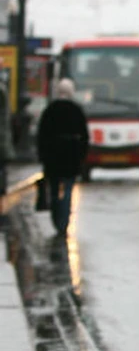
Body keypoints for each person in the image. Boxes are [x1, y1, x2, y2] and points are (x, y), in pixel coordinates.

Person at [36, 78, 89, 237]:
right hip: (71, 158)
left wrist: (43, 156)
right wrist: (81, 156)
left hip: (52, 158)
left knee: (53, 189)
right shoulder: (76, 110)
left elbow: (41, 135)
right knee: (67, 190)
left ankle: (55, 215)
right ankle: (63, 222)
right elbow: (85, 136)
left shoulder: (49, 110)